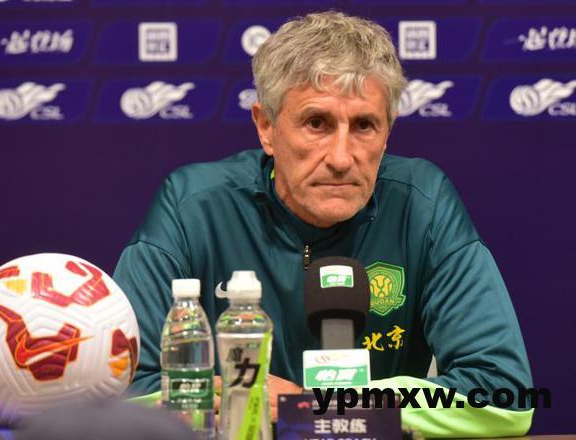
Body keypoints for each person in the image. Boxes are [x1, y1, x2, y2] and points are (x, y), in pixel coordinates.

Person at [114, 11, 533, 437]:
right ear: (266, 127)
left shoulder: (421, 204)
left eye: (365, 125)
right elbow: (121, 397)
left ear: (388, 132)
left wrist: (317, 407)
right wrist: (237, 402)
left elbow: (505, 397)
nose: (341, 158)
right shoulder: (193, 208)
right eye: (317, 123)